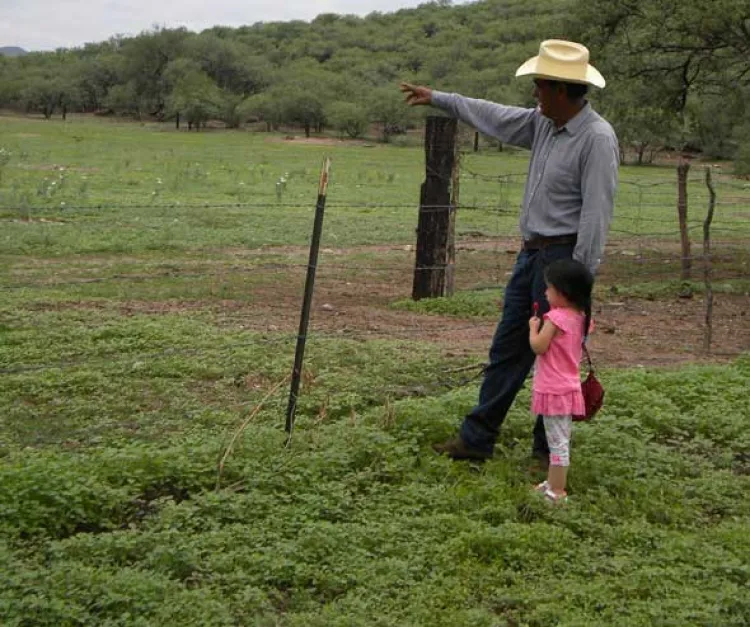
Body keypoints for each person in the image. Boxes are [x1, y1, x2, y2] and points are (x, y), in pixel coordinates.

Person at [400, 40, 619, 464]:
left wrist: (578, 282)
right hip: (532, 254)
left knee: (556, 353)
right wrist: (440, 99)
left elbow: (596, 214)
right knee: (508, 346)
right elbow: (494, 116)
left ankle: (546, 451)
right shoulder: (543, 124)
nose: (534, 94)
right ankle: (476, 440)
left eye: (539, 85)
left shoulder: (596, 138)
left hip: (563, 258)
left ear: (559, 89)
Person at [529, 259, 593, 502]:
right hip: (568, 386)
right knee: (558, 438)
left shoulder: (555, 319)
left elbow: (538, 346)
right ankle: (551, 481)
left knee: (557, 444)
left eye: (549, 288)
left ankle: (557, 492)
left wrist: (533, 328)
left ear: (563, 292)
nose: (545, 292)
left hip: (553, 388)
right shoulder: (581, 318)